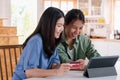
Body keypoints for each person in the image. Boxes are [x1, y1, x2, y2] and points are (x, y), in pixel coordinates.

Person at [12, 7, 70, 80]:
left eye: (62, 26)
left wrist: (68, 66)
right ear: (49, 25)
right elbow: (29, 72)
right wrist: (56, 72)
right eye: (59, 25)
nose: (62, 29)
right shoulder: (36, 41)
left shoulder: (52, 41)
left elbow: (53, 65)